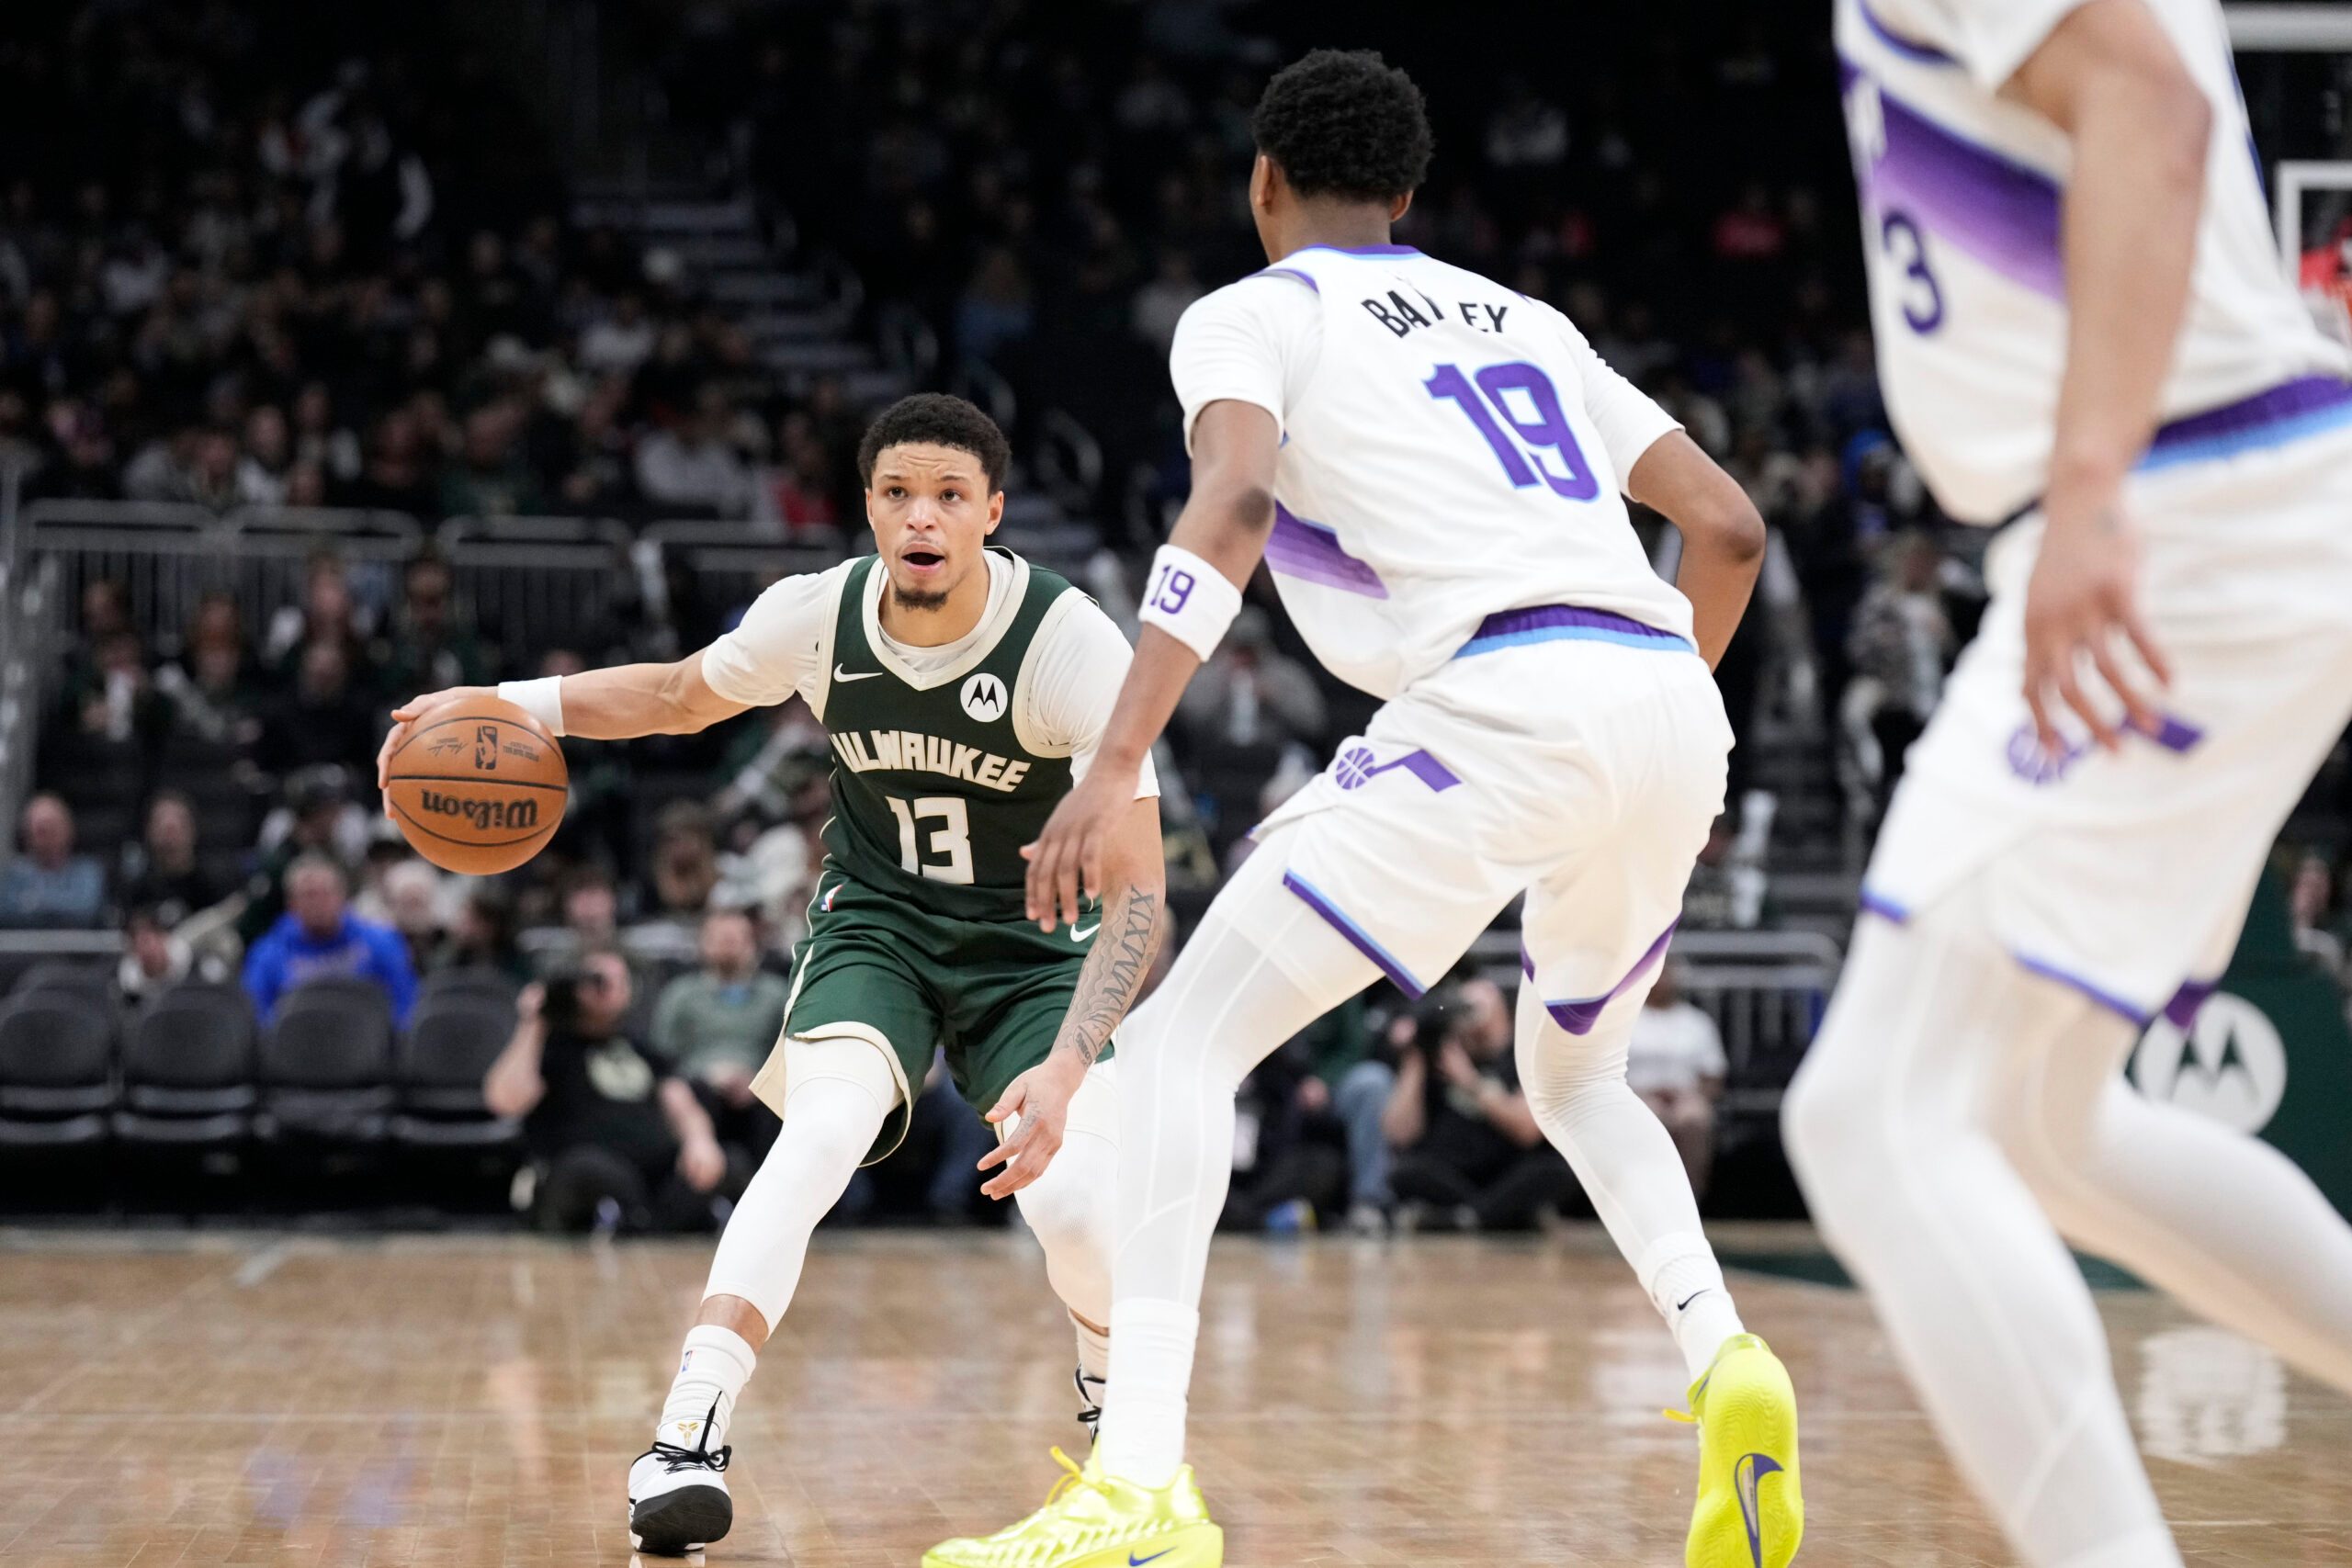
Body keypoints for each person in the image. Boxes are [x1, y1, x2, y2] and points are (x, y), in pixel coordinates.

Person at [931, 51, 1795, 1568]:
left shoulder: (1254, 314)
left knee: (1189, 1041)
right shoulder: (1531, 321)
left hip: (1507, 695)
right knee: (1580, 1079)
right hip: (1665, 697)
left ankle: (1139, 1488)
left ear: (1263, 183)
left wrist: (1117, 757)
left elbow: (1237, 504)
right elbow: (1726, 526)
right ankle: (1726, 1347)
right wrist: (1652, 723)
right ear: (1408, 197)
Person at [379, 392, 1166, 1556]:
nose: (923, 517)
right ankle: (685, 1435)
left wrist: (1062, 1068)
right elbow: (677, 694)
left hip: (1032, 947)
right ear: (869, 508)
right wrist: (507, 704)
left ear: (993, 514)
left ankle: (1110, 1407)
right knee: (818, 1136)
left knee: (1070, 1208)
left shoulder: (1069, 644)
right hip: (881, 924)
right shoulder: (819, 616)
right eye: (898, 492)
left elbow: (1143, 896)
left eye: (951, 496)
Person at [1781, 4, 2352, 1566]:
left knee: (1872, 1119)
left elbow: (2150, 116)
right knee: (2041, 1124)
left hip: (2183, 502)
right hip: (2215, 499)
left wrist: (2095, 488)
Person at [484, 950, 743, 1232]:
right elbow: (505, 1100)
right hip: (588, 1169)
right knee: (590, 1171)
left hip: (659, 1174)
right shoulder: (552, 1047)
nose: (605, 988)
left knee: (729, 1161)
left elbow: (681, 1103)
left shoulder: (641, 1048)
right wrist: (533, 1022)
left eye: (618, 980)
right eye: (596, 979)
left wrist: (700, 1141)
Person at [1381, 976, 1571, 1232]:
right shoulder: (1438, 1055)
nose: (1467, 1016)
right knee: (1403, 1171)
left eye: (1476, 1006)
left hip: (1507, 1168)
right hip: (1453, 1171)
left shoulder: (1524, 1054)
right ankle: (1488, 1216)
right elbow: (1399, 1134)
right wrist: (1414, 1058)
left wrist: (1469, 1081)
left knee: (1555, 1171)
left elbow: (1527, 1131)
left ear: (1500, 1009)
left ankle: (1464, 1217)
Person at [651, 907, 791, 1147]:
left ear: (753, 945)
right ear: (703, 945)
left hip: (762, 1093)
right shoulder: (681, 994)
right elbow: (660, 1056)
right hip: (698, 1092)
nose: (729, 947)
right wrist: (707, 1079)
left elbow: (790, 1054)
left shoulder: (777, 995)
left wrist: (756, 1080)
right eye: (721, 939)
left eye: (737, 939)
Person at [241, 852, 419, 1027]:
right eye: (309, 895)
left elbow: (406, 1005)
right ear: (291, 903)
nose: (317, 903)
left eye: (325, 893)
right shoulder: (268, 954)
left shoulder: (382, 943)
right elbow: (257, 1017)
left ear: (343, 896)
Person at [1624, 962, 1726, 1198]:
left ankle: (1689, 1195)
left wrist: (1695, 1095)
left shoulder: (1696, 1021)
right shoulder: (1628, 1019)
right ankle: (1646, 1196)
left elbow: (1713, 1073)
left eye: (1668, 974)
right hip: (1636, 1094)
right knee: (1650, 1117)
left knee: (1693, 1118)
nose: (1663, 980)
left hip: (1686, 1094)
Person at [0, 794, 108, 930]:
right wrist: (64, 902)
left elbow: (85, 910)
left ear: (68, 829)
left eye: (51, 829)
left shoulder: (88, 871)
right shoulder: (15, 874)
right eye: (39, 831)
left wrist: (32, 903)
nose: (46, 839)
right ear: (26, 835)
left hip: (78, 947)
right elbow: (6, 912)